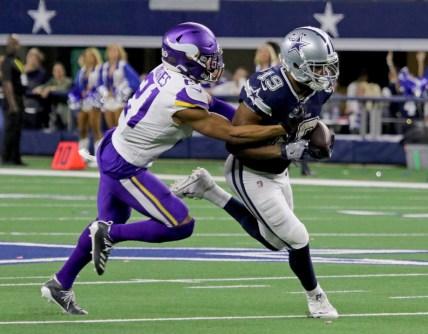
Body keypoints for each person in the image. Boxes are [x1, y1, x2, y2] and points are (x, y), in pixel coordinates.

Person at [40, 22, 287, 315]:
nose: (214, 63)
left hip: (114, 146)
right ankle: (108, 235)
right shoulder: (180, 95)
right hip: (125, 166)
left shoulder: (169, 73)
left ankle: (60, 282)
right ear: (185, 58)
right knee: (179, 224)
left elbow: (217, 105)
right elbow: (232, 134)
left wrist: (262, 125)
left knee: (107, 220)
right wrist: (281, 129)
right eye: (207, 58)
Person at [171, 26, 339, 319]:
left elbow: (310, 123)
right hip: (249, 170)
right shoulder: (268, 88)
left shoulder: (321, 87)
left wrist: (322, 138)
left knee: (275, 241)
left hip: (279, 171)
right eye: (318, 67)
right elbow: (235, 144)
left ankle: (207, 189)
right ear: (297, 65)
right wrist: (285, 150)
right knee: (297, 237)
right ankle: (316, 298)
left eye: (327, 65)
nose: (325, 73)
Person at [68, 48, 103, 166]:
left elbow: (101, 85)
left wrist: (92, 91)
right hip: (83, 102)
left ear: (95, 57)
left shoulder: (99, 70)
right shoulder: (82, 71)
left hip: (95, 101)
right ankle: (83, 156)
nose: (88, 58)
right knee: (82, 127)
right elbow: (77, 85)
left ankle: (99, 158)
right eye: (87, 56)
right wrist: (78, 94)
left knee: (95, 127)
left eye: (91, 56)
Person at [98, 44, 140, 129]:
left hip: (119, 100)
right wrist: (105, 92)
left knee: (119, 127)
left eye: (114, 50)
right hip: (108, 99)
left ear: (119, 53)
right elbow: (99, 82)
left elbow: (135, 81)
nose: (112, 53)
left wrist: (119, 91)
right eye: (110, 50)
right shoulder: (104, 67)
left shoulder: (123, 65)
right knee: (110, 128)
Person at [1, 34, 27, 166]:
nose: (15, 46)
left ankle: (16, 157)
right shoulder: (6, 61)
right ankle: (6, 157)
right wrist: (12, 103)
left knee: (17, 130)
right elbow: (7, 83)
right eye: (12, 43)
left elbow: (21, 79)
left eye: (16, 43)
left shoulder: (17, 60)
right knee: (10, 129)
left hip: (19, 98)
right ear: (8, 44)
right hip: (12, 100)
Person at [33, 62, 73, 131]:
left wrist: (50, 89)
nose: (57, 72)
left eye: (59, 70)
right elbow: (45, 86)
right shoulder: (53, 81)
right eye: (55, 71)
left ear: (63, 71)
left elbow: (62, 88)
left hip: (66, 108)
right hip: (54, 110)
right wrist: (39, 88)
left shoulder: (68, 81)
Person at [22, 47, 48, 129]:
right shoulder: (21, 70)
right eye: (30, 57)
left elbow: (46, 85)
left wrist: (42, 88)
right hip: (21, 105)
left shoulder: (41, 72)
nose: (32, 60)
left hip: (36, 106)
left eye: (35, 58)